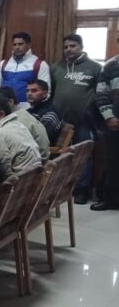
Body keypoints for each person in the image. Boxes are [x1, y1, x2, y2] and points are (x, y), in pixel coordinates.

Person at [50, 33, 102, 203]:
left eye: (72, 46)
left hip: (83, 120)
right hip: (59, 121)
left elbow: (99, 94)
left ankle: (82, 190)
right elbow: (51, 92)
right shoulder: (56, 67)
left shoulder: (94, 68)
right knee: (58, 155)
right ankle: (58, 188)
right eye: (65, 47)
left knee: (83, 155)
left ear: (81, 47)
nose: (68, 50)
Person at [0, 87, 49, 161]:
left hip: (38, 165)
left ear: (10, 102)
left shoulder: (16, 122)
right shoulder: (21, 114)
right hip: (36, 164)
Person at [0, 31, 50, 104]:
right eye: (14, 45)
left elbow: (46, 91)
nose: (17, 47)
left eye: (20, 44)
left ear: (28, 45)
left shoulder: (40, 64)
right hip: (6, 107)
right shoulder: (3, 64)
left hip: (29, 109)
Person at [0, 95, 42, 173]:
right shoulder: (19, 125)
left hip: (19, 181)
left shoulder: (0, 133)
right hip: (32, 178)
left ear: (1, 114)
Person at [92, 54, 119, 211]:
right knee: (112, 162)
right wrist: (109, 117)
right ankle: (110, 199)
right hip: (114, 123)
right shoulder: (111, 65)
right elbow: (101, 94)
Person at [26, 80, 62, 144]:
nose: (29, 93)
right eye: (27, 91)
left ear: (45, 94)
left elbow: (42, 137)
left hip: (40, 150)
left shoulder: (50, 112)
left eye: (34, 91)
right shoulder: (30, 110)